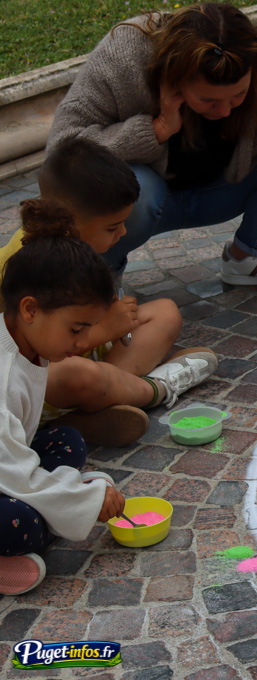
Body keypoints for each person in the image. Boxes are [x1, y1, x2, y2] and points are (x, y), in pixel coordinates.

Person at [46, 2, 257, 329]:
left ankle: (247, 258)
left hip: (217, 194)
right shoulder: (124, 55)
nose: (225, 111)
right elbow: (62, 153)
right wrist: (155, 130)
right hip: (143, 203)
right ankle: (100, 282)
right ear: (175, 80)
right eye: (209, 100)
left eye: (238, 95)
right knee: (123, 190)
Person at [0, 140, 217, 447]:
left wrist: (110, 322)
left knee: (165, 312)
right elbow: (27, 350)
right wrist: (103, 331)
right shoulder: (25, 264)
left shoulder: (76, 244)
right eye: (113, 227)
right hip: (37, 376)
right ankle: (153, 390)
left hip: (78, 346)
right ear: (72, 221)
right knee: (80, 375)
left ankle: (96, 404)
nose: (123, 233)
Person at [0, 203, 128, 594]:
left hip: (7, 460)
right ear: (30, 310)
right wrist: (84, 500)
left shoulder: (28, 342)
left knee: (67, 440)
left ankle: (59, 506)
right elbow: (13, 473)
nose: (83, 341)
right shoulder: (2, 374)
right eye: (76, 329)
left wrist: (77, 498)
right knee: (20, 524)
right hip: (6, 469)